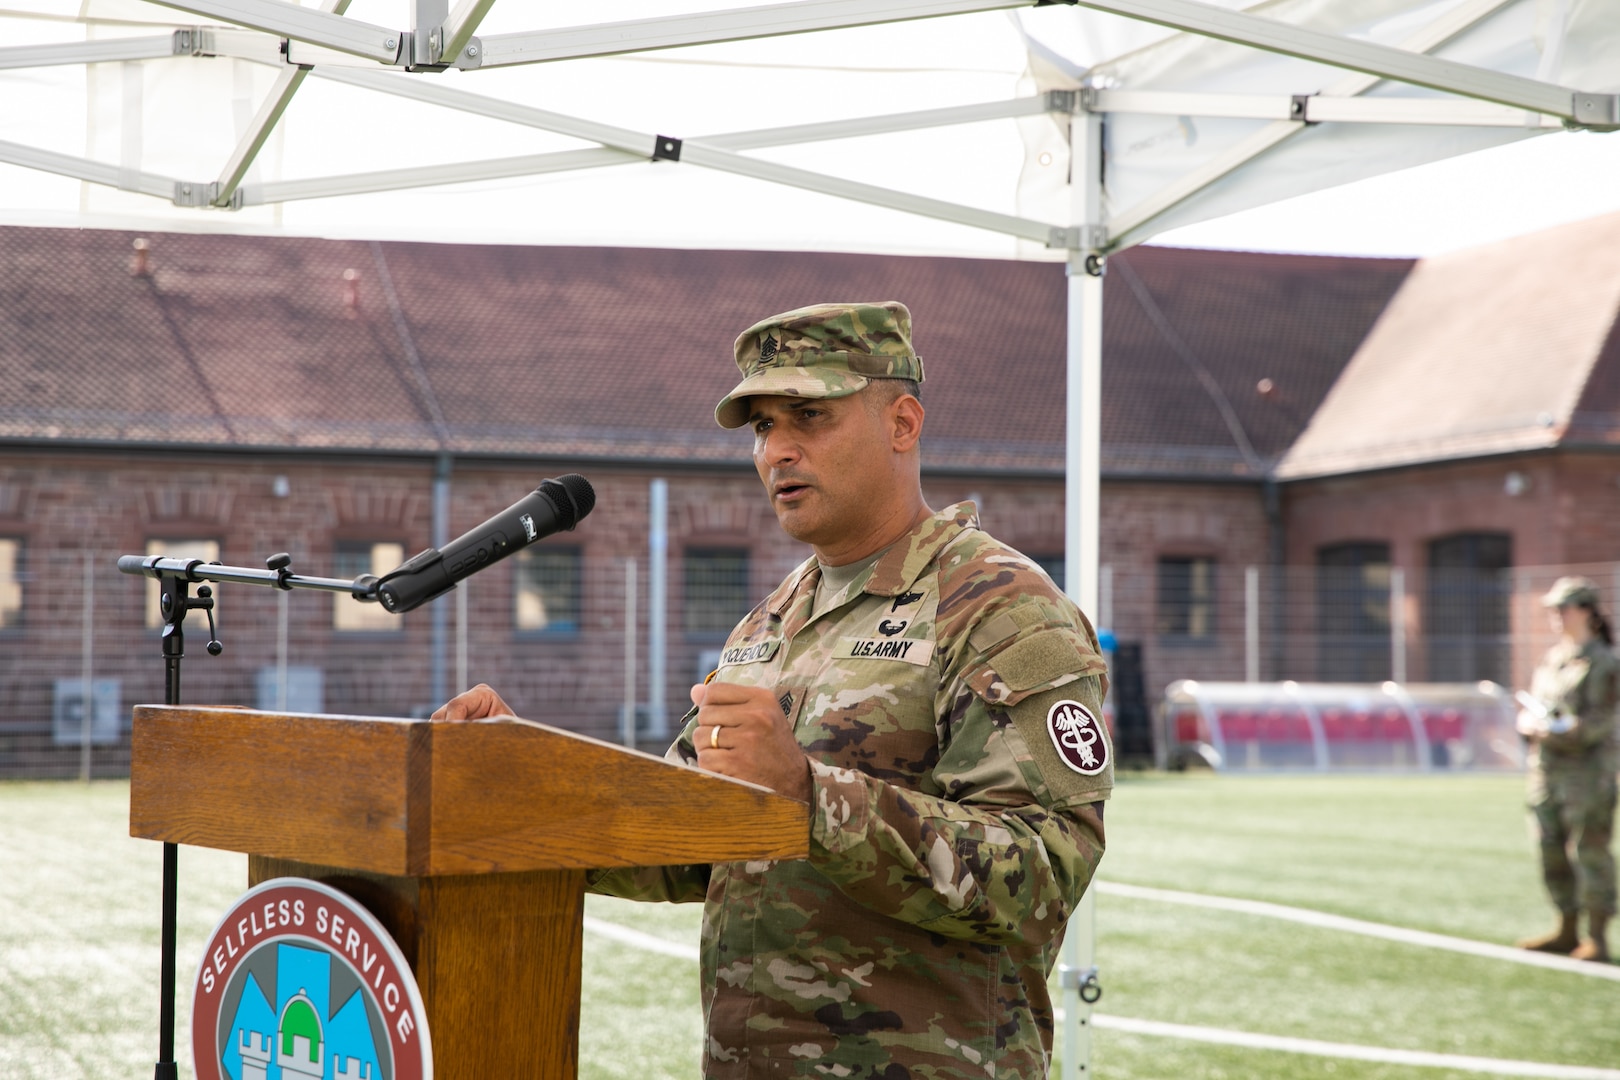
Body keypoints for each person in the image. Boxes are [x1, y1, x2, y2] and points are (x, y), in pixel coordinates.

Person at [433, 301, 1112, 1077]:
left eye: (809, 416)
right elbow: (688, 842)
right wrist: (531, 775)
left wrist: (807, 796)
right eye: (761, 426)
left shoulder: (1000, 607)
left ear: (902, 422)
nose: (777, 450)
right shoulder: (774, 618)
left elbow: (1045, 875)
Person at [1515, 575, 1617, 963]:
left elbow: (1597, 724)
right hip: (1547, 771)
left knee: (1588, 852)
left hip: (1587, 774)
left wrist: (1558, 728)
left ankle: (1597, 936)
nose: (1557, 616)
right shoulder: (1554, 657)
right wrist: (1529, 725)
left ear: (1588, 611)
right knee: (1549, 848)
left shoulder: (1604, 663)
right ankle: (1566, 927)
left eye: (1565, 608)